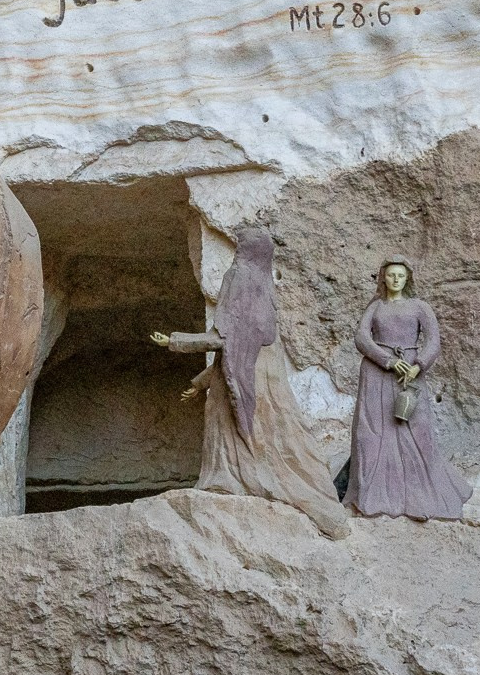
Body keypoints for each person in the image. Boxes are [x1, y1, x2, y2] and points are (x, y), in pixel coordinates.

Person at [150, 230, 352, 540]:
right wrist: (201, 382)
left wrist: (174, 341)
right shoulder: (264, 288)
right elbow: (237, 349)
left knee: (244, 437)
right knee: (276, 438)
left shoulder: (239, 276)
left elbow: (224, 340)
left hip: (244, 383)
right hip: (259, 383)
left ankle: (238, 481)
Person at [345, 259, 468, 519]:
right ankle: (373, 496)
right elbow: (361, 338)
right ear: (384, 279)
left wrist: (418, 365)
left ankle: (421, 496)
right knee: (373, 433)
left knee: (417, 430)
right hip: (376, 374)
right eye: (391, 275)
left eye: (401, 275)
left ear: (408, 278)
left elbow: (433, 341)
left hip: (410, 375)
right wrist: (387, 360)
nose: (396, 280)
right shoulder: (375, 307)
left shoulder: (419, 306)